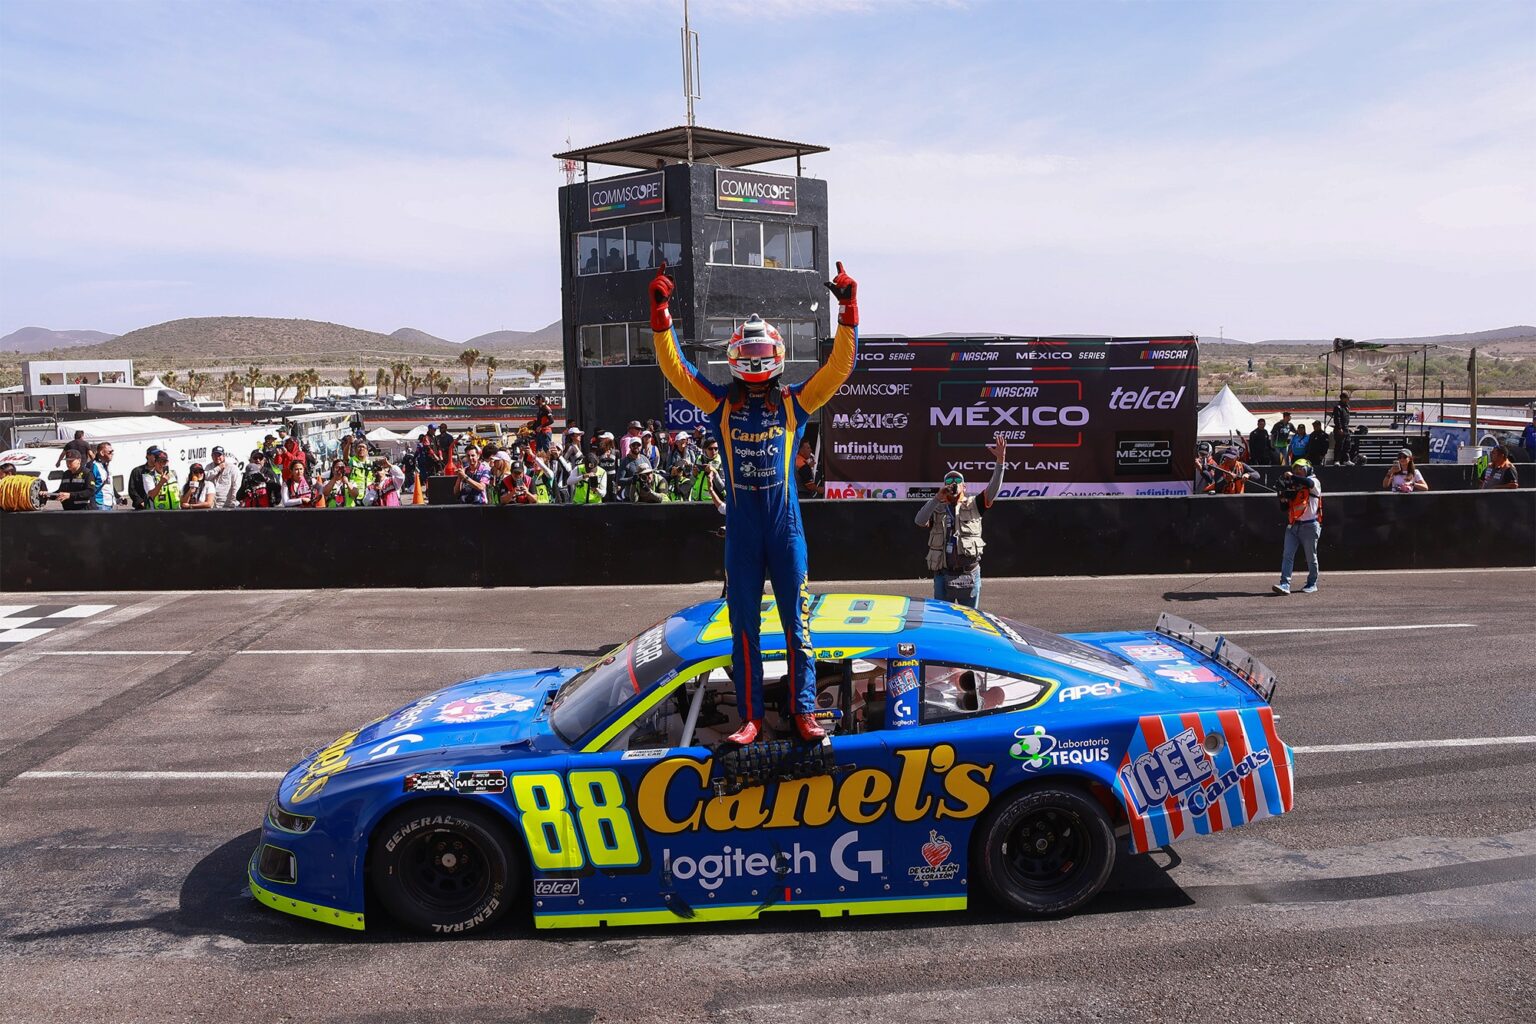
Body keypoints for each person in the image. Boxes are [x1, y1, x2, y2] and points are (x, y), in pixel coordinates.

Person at [651, 258, 859, 744]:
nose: (755, 360)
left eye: (762, 350)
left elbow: (839, 368)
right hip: (744, 530)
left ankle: (804, 711)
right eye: (748, 351)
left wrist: (849, 310)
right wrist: (661, 315)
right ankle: (750, 718)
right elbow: (676, 370)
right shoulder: (721, 403)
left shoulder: (794, 402)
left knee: (797, 625)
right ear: (734, 356)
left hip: (785, 529)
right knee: (743, 625)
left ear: (778, 354)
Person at [915, 436, 1007, 608]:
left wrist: (1000, 462)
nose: (953, 484)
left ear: (964, 487)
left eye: (957, 481)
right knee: (944, 620)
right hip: (942, 575)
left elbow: (993, 489)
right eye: (949, 481)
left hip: (969, 573)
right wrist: (937, 498)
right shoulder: (937, 507)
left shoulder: (975, 503)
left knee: (970, 619)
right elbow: (919, 521)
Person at [1273, 458, 1322, 595]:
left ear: (1308, 469)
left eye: (1301, 468)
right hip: (1294, 525)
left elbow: (1308, 483)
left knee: (1311, 557)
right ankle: (1285, 584)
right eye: (1296, 469)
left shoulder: (1314, 481)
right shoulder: (1294, 485)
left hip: (1310, 525)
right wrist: (1282, 497)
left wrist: (1292, 476)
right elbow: (1285, 508)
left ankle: (1312, 583)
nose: (1298, 471)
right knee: (1287, 555)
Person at [89, 442, 123, 510]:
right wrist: (93, 505)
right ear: (102, 453)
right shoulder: (93, 466)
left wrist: (117, 496)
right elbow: (89, 487)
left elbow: (109, 483)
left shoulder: (106, 465)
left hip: (110, 503)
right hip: (99, 504)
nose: (112, 454)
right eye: (110, 452)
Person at [1330, 392, 1352, 465]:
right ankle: (1336, 460)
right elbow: (1337, 418)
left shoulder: (1346, 407)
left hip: (1346, 428)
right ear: (1343, 398)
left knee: (1347, 444)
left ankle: (1346, 459)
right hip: (1340, 429)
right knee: (1339, 445)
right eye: (1347, 398)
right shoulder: (1338, 407)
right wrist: (1340, 428)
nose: (1348, 399)